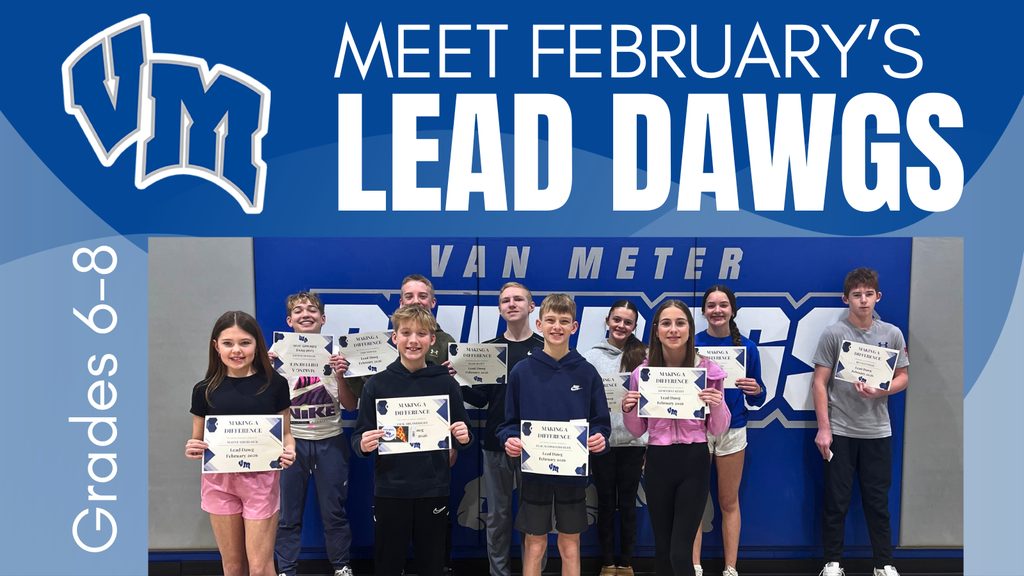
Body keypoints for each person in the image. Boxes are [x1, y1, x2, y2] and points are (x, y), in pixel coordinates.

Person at [351, 304, 473, 576]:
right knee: (388, 565)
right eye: (406, 333)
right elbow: (359, 437)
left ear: (432, 339)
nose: (413, 340)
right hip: (390, 489)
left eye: (421, 334)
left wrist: (463, 437)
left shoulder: (446, 384)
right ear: (395, 337)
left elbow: (463, 433)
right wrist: (362, 445)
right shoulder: (376, 384)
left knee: (432, 565)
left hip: (433, 488)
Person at [498, 293, 611, 576]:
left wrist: (600, 438)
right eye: (550, 320)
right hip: (534, 474)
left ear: (574, 327)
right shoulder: (522, 371)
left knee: (570, 544)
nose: (557, 327)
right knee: (535, 544)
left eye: (564, 321)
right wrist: (510, 439)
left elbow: (601, 424)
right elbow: (508, 423)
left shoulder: (587, 373)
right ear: (539, 324)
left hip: (572, 474)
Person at [812, 268, 909, 576]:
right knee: (836, 501)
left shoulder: (892, 334)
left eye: (868, 294)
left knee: (878, 503)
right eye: (856, 295)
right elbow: (819, 382)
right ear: (846, 299)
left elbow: (903, 376)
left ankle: (884, 564)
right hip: (840, 430)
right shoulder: (834, 334)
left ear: (878, 297)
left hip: (877, 432)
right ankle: (832, 563)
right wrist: (824, 428)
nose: (863, 300)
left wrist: (882, 389)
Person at [621, 300, 728, 576]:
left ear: (690, 330)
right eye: (666, 323)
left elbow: (718, 429)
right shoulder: (642, 374)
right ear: (656, 331)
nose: (673, 330)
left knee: (680, 553)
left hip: (693, 461)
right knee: (663, 551)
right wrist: (628, 409)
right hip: (659, 461)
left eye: (680, 323)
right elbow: (637, 430)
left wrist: (716, 404)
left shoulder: (709, 371)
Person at [185, 311, 296, 576]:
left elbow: (286, 435)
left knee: (259, 568)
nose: (236, 350)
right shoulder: (204, 390)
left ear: (257, 345)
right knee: (233, 567)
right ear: (216, 346)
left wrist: (290, 450)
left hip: (261, 482)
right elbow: (197, 440)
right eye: (228, 343)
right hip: (219, 484)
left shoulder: (275, 384)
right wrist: (193, 448)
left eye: (245, 342)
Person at [461, 282, 548, 576]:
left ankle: (533, 572)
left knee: (534, 517)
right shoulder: (489, 351)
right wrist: (458, 382)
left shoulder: (546, 348)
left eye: (518, 299)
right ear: (499, 309)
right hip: (496, 443)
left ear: (531, 307)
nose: (512, 304)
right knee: (497, 516)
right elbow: (481, 399)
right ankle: (498, 573)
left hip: (537, 445)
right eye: (506, 300)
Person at [269, 292, 359, 576]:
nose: (305, 314)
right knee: (287, 514)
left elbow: (351, 406)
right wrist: (265, 373)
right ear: (289, 321)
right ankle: (286, 569)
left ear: (323, 318)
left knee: (334, 512)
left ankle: (341, 566)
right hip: (290, 442)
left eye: (311, 310)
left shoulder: (338, 355)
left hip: (330, 440)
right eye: (298, 310)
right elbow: (265, 404)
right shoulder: (276, 353)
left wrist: (341, 375)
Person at [692, 286, 767, 576]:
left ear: (732, 310)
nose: (717, 310)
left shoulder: (747, 348)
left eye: (723, 305)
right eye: (711, 305)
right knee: (694, 501)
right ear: (703, 311)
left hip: (733, 429)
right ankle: (695, 566)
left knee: (728, 502)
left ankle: (731, 568)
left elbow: (757, 398)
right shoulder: (692, 344)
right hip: (697, 430)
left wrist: (756, 390)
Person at [582, 300, 649, 576]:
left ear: (634, 326)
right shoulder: (590, 357)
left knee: (628, 506)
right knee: (606, 505)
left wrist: (648, 443)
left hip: (634, 444)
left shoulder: (645, 356)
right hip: (603, 445)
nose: (621, 326)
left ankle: (626, 564)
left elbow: (653, 403)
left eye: (627, 322)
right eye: (617, 320)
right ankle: (608, 564)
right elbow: (583, 401)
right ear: (608, 320)